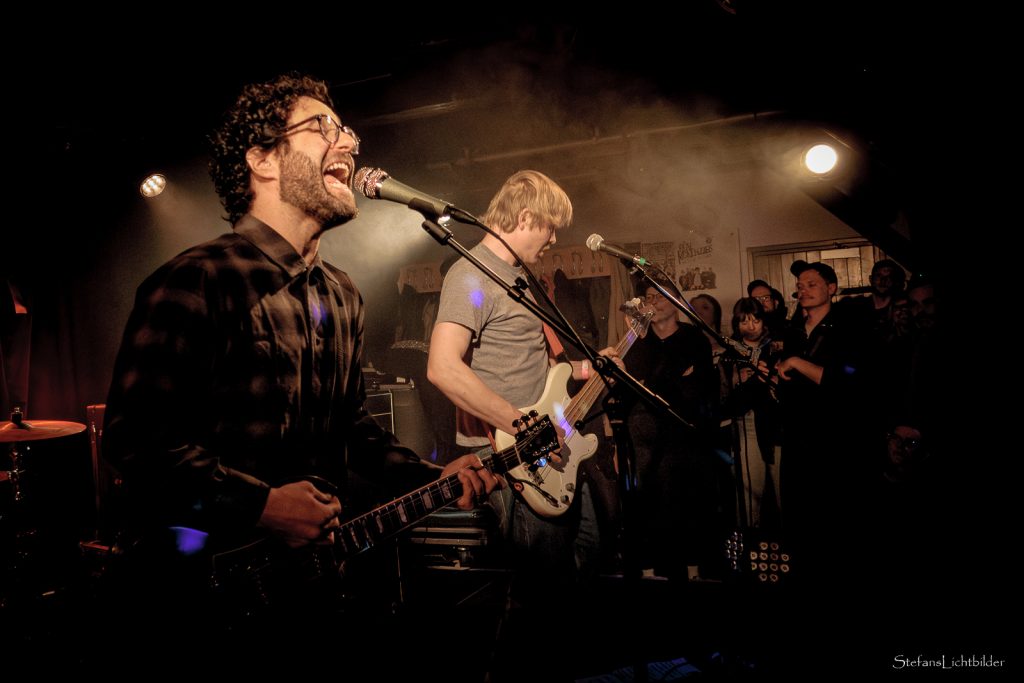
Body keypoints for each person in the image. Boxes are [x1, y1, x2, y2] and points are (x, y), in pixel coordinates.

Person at [100, 73, 500, 672]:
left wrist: (433, 477)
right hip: (202, 600)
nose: (350, 142)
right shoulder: (197, 279)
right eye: (323, 128)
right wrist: (260, 504)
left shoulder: (341, 294)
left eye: (347, 130)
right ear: (262, 159)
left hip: (308, 596)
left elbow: (351, 430)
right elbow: (135, 439)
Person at [426, 170, 620, 679]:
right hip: (512, 455)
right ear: (527, 217)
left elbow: (533, 364)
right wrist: (524, 425)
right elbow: (443, 367)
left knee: (586, 557)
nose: (553, 239)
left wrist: (585, 370)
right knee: (539, 593)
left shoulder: (521, 279)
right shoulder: (471, 275)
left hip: (552, 446)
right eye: (550, 227)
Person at [626, 279, 719, 580]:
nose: (653, 302)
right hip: (645, 437)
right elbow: (634, 388)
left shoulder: (693, 339)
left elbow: (697, 389)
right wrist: (672, 377)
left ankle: (693, 570)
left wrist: (663, 384)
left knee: (686, 502)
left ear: (677, 302)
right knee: (647, 502)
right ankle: (650, 571)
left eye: (660, 296)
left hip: (683, 437)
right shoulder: (639, 342)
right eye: (649, 296)